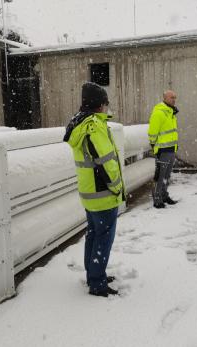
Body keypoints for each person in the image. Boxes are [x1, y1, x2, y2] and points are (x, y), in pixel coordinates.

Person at [63, 82, 126, 297]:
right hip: (103, 195)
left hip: (89, 193)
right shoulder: (94, 126)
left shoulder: (80, 124)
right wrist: (117, 188)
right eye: (105, 103)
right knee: (103, 237)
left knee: (93, 235)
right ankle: (97, 282)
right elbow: (106, 162)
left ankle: (93, 273)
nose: (107, 107)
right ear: (99, 105)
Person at [148, 90, 179, 209]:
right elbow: (152, 132)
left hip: (171, 149)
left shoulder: (171, 113)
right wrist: (154, 146)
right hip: (162, 150)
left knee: (167, 175)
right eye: (171, 97)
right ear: (165, 98)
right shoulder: (159, 113)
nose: (174, 99)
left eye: (175, 97)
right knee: (160, 176)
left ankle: (164, 195)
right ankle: (157, 199)